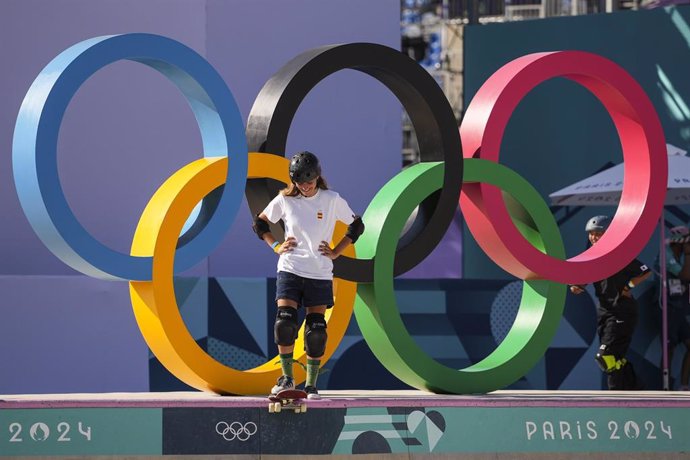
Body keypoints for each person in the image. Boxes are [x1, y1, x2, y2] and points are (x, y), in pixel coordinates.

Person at [251, 151, 364, 399]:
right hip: (290, 268)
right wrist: (275, 246)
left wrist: (336, 252)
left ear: (317, 177)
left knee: (316, 331)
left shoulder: (332, 199)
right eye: (300, 182)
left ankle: (311, 385)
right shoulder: (285, 200)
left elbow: (357, 225)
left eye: (309, 181)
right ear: (293, 180)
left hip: (319, 273)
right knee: (285, 323)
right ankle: (287, 378)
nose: (305, 186)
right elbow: (260, 223)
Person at [570, 215, 651, 390]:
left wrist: (628, 286)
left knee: (605, 355)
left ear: (608, 234)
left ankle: (617, 394)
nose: (593, 237)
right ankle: (635, 389)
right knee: (616, 358)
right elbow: (587, 277)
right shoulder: (592, 256)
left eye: (598, 233)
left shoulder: (619, 254)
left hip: (622, 311)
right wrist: (578, 286)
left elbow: (645, 271)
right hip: (605, 312)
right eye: (591, 234)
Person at [656, 225, 690, 390]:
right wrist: (689, 254)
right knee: (669, 348)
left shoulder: (680, 257)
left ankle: (684, 385)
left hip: (680, 310)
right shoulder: (666, 254)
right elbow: (685, 275)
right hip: (667, 309)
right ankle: (665, 387)